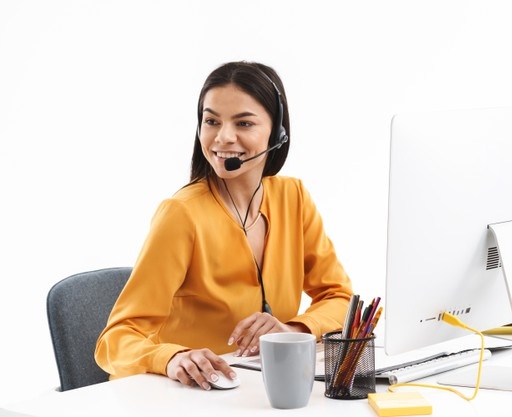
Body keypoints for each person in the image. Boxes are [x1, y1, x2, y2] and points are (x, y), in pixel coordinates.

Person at [95, 61, 354, 390]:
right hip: (184, 395)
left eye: (244, 122)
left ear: (277, 132)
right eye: (211, 121)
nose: (223, 138)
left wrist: (293, 330)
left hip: (259, 389)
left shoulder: (294, 198)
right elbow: (117, 338)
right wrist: (172, 358)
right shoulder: (182, 214)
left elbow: (341, 298)